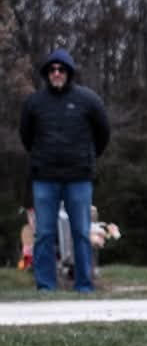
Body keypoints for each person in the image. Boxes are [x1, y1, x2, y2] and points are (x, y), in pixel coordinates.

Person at [19, 49, 110, 294]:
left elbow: (103, 133)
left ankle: (84, 286)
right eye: (52, 69)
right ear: (47, 74)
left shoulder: (88, 100)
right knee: (44, 234)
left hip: (78, 178)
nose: (56, 73)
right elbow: (26, 137)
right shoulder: (34, 103)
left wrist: (88, 158)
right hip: (44, 179)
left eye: (61, 69)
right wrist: (42, 158)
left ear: (69, 73)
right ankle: (45, 287)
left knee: (81, 233)